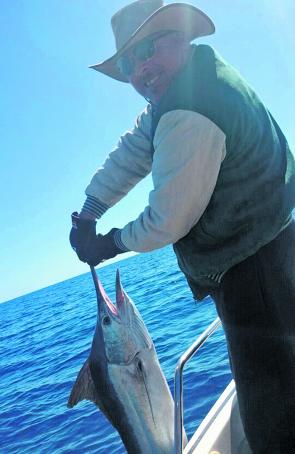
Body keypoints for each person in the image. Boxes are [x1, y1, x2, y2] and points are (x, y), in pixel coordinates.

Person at [69, 1, 295, 452]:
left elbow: (169, 218)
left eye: (149, 48)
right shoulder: (181, 86)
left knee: (274, 420)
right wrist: (91, 209)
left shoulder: (190, 109)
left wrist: (109, 245)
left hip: (257, 275)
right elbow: (135, 147)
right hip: (269, 256)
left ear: (183, 36)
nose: (141, 68)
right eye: (131, 61)